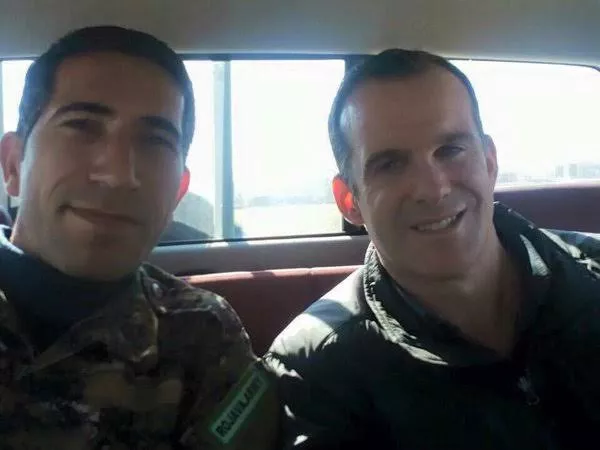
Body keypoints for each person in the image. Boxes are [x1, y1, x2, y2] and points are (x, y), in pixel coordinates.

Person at [266, 49, 600, 449]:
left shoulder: (591, 271)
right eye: (390, 165)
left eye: (451, 150)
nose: (433, 188)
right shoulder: (314, 370)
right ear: (349, 201)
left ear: (489, 161)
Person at [0, 26, 278, 449]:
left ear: (178, 192)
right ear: (13, 164)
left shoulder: (203, 334)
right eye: (82, 126)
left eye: (154, 141)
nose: (118, 174)